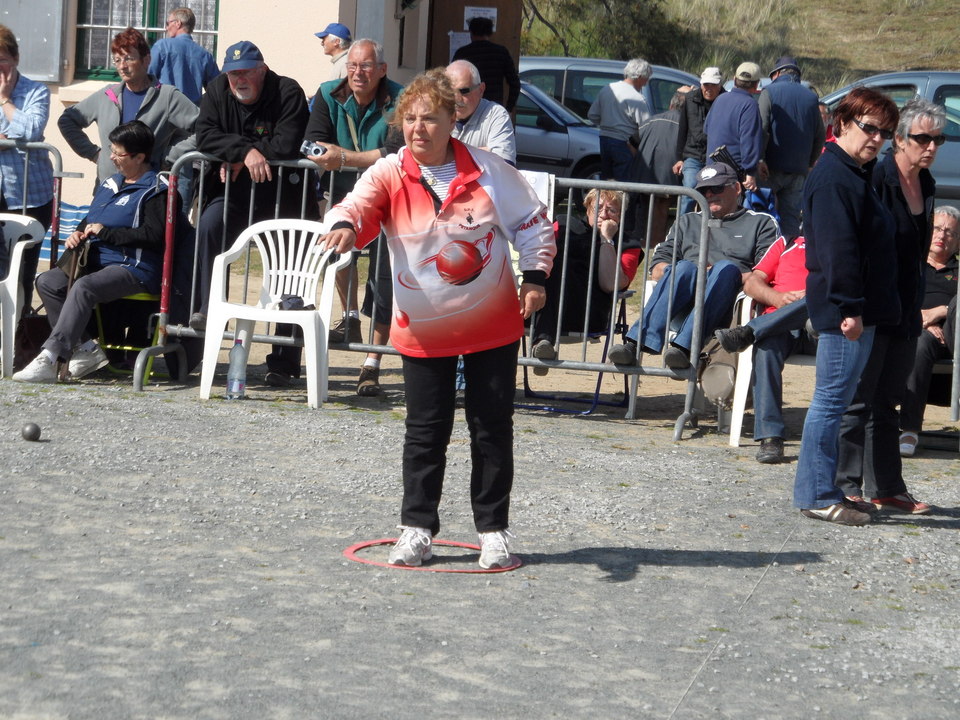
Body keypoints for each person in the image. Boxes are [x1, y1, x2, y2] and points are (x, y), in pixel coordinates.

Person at [319, 69, 554, 568]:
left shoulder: (489, 170)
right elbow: (355, 206)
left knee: (491, 427)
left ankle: (493, 533)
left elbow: (533, 223)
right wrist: (342, 224)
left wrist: (535, 278)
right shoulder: (388, 170)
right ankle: (417, 529)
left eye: (430, 118)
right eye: (410, 118)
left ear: (454, 120)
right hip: (422, 328)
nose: (418, 128)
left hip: (492, 323)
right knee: (425, 430)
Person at [792, 87, 900, 527]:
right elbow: (838, 252)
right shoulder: (836, 176)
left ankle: (828, 488)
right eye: (869, 127)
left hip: (860, 309)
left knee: (837, 401)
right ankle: (817, 493)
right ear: (841, 123)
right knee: (830, 402)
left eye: (885, 132)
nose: (876, 138)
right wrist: (850, 308)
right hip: (846, 312)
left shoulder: (854, 171)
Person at [834, 98, 946, 515]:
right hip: (875, 302)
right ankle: (845, 486)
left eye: (939, 138)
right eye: (922, 138)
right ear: (898, 140)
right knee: (859, 399)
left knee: (888, 401)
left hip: (906, 305)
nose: (931, 147)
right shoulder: (878, 177)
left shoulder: (928, 184)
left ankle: (887, 487)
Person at [192, 40, 315, 386]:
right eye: (233, 73)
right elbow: (204, 136)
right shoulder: (217, 90)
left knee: (291, 269)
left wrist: (242, 156)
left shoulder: (287, 90)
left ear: (262, 69)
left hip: (284, 195)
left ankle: (284, 359)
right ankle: (207, 310)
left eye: (246, 71)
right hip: (235, 194)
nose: (238, 79)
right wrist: (245, 152)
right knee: (208, 225)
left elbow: (288, 143)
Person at [13, 122, 173, 383]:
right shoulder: (110, 182)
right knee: (48, 281)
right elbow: (92, 218)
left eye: (118, 153)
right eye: (112, 150)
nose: (111, 157)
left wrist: (106, 234)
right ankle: (85, 349)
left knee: (84, 286)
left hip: (135, 267)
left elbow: (155, 236)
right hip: (95, 262)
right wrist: (78, 233)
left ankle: (50, 356)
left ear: (140, 157)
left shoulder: (156, 189)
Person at [304, 38, 404, 396]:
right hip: (341, 193)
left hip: (388, 195)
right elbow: (312, 143)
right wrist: (332, 157)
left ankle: (372, 363)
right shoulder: (328, 92)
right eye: (352, 66)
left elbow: (396, 151)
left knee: (382, 274)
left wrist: (343, 157)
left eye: (365, 67)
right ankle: (349, 318)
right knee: (340, 255)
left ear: (381, 70)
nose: (357, 73)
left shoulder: (399, 96)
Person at [607, 162, 778, 370]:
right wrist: (694, 272)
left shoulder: (761, 223)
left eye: (716, 188)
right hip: (679, 301)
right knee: (687, 268)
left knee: (725, 269)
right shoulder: (686, 222)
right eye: (703, 190)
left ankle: (684, 347)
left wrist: (714, 274)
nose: (709, 195)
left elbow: (765, 273)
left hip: (730, 305)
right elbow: (658, 267)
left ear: (737, 188)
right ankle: (634, 344)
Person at [715, 234, 813, 463]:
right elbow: (752, 282)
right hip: (781, 328)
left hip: (823, 326)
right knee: (766, 348)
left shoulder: (843, 239)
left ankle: (749, 331)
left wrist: (809, 297)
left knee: (820, 296)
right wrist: (776, 297)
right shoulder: (788, 242)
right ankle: (771, 437)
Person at [58, 27, 198, 186]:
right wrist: (95, 154)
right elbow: (67, 120)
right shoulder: (107, 95)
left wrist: (169, 156)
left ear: (146, 60)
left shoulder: (167, 97)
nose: (122, 66)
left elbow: (206, 129)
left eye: (128, 58)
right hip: (108, 189)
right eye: (117, 60)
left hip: (147, 190)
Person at [530, 189, 642, 373]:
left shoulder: (629, 244)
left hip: (587, 313)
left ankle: (542, 342)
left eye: (611, 210)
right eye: (597, 208)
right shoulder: (564, 225)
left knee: (563, 263)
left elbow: (610, 284)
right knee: (556, 261)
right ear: (587, 208)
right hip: (544, 308)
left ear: (621, 215)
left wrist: (607, 240)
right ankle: (542, 345)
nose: (604, 214)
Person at [0, 24, 54, 313]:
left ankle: (16, 340)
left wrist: (5, 100)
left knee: (20, 273)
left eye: (1, 60)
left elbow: (32, 130)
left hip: (29, 196)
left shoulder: (36, 91)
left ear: (16, 58)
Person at [900, 205, 960, 456]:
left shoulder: (957, 271)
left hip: (956, 335)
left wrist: (941, 312)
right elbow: (897, 301)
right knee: (922, 340)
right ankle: (910, 430)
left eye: (950, 232)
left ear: (958, 241)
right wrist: (921, 320)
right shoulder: (910, 266)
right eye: (937, 228)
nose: (942, 235)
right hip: (919, 334)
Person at [757, 57, 825, 238]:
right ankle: (787, 259)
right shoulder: (811, 98)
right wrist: (809, 163)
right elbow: (820, 135)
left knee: (762, 215)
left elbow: (761, 129)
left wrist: (760, 158)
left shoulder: (769, 92)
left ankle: (763, 257)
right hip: (798, 170)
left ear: (777, 74)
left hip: (769, 168)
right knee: (791, 218)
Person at [629, 87, 689, 247]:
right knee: (661, 209)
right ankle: (655, 243)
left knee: (645, 207)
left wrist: (640, 160)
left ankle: (643, 241)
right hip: (668, 176)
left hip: (644, 173)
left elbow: (631, 142)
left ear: (671, 104)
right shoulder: (687, 127)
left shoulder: (651, 120)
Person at [588, 58, 652, 182]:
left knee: (607, 182)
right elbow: (647, 127)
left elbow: (592, 115)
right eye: (646, 78)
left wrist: (608, 121)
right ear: (639, 77)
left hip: (604, 140)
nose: (646, 83)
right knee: (624, 184)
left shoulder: (607, 89)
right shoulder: (638, 98)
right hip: (625, 143)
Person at [704, 62, 763, 191]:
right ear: (756, 84)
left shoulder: (720, 99)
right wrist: (751, 172)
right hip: (732, 176)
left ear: (734, 79)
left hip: (711, 171)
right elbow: (749, 141)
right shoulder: (750, 105)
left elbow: (707, 130)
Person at [673, 67, 725, 214]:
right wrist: (679, 159)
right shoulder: (690, 99)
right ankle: (680, 230)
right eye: (706, 84)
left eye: (713, 85)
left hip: (717, 156)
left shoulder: (726, 100)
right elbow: (682, 129)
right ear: (701, 84)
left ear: (720, 85)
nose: (709, 88)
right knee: (689, 192)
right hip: (693, 155)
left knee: (716, 196)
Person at [445, 60, 515, 164]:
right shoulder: (437, 113)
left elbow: (503, 164)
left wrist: (450, 154)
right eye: (450, 92)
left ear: (481, 90)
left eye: (464, 91)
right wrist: (484, 152)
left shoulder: (495, 114)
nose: (457, 99)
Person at [147, 7, 219, 105]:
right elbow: (217, 91)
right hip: (193, 114)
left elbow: (146, 79)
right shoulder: (205, 56)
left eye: (168, 23)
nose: (166, 28)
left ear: (178, 23)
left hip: (164, 111)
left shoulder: (162, 46)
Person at [451, 16, 520, 112]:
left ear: (471, 32)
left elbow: (449, 82)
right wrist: (509, 108)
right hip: (493, 108)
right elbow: (515, 83)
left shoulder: (462, 53)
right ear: (489, 33)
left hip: (468, 107)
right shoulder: (501, 52)